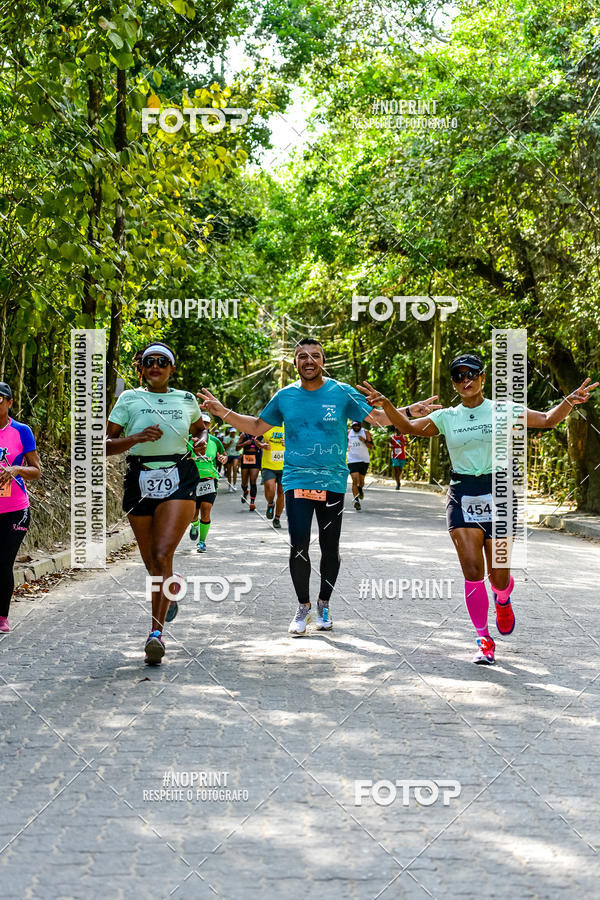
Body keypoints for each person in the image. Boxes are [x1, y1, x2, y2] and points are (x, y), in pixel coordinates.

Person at [359, 353, 598, 665]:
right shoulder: (447, 417)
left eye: (472, 374)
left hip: (498, 491)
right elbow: (409, 428)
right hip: (462, 493)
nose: (466, 380)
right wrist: (388, 406)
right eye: (459, 376)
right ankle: (483, 639)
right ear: (454, 384)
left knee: (499, 577)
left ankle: (502, 597)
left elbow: (547, 419)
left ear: (483, 378)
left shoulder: (504, 410)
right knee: (473, 571)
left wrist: (569, 400)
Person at [199, 338, 440, 637]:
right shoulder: (285, 397)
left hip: (333, 481)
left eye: (315, 356)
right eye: (302, 356)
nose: (308, 361)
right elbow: (256, 426)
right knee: (298, 544)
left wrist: (406, 411)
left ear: (323, 361)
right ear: (295, 362)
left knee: (330, 548)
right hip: (298, 480)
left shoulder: (341, 392)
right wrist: (223, 411)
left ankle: (324, 604)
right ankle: (303, 607)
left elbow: (376, 418)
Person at [106, 342, 206, 665]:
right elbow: (105, 445)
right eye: (150, 361)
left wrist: (201, 443)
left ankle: (156, 635)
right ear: (142, 367)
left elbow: (200, 431)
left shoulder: (186, 399)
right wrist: (135, 438)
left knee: (163, 554)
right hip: (139, 479)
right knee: (154, 564)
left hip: (180, 475)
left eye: (163, 362)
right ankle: (169, 591)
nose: (156, 366)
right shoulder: (128, 399)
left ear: (172, 369)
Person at [0, 383, 42, 633]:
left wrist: (16, 469)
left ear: (10, 402)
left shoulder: (21, 431)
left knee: (3, 562)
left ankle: (2, 616)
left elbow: (37, 470)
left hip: (15, 509)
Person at [188, 413, 227, 552]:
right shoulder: (187, 440)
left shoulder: (215, 441)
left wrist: (223, 458)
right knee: (193, 513)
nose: (203, 426)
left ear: (209, 425)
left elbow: (224, 455)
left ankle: (202, 542)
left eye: (206, 423)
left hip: (209, 479)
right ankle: (194, 525)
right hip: (191, 480)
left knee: (206, 510)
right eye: (200, 423)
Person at [261, 424, 285, 527]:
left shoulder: (288, 424)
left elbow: (299, 440)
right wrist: (262, 445)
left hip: (285, 465)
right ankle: (270, 503)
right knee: (270, 488)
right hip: (268, 465)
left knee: (281, 492)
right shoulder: (266, 424)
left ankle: (277, 518)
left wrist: (290, 442)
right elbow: (256, 440)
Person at [346, 420, 373, 510]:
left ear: (360, 425)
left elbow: (372, 447)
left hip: (364, 460)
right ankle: (356, 500)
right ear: (352, 426)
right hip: (352, 460)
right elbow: (343, 444)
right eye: (354, 426)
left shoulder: (365, 432)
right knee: (355, 480)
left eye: (358, 426)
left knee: (361, 481)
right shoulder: (348, 432)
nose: (356, 427)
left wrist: (365, 441)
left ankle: (360, 488)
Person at [238, 432, 267, 511]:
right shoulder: (244, 435)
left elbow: (265, 445)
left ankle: (252, 502)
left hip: (256, 457)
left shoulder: (260, 434)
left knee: (253, 481)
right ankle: (245, 491)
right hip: (246, 458)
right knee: (244, 483)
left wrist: (260, 443)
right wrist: (245, 443)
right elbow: (237, 448)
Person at [221, 426, 241, 492]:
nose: (233, 433)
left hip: (235, 455)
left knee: (235, 468)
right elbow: (225, 448)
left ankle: (234, 484)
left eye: (234, 432)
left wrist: (241, 452)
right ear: (230, 433)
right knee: (229, 472)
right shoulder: (226, 438)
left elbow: (239, 446)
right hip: (228, 455)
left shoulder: (238, 438)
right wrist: (230, 443)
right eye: (232, 432)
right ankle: (230, 486)